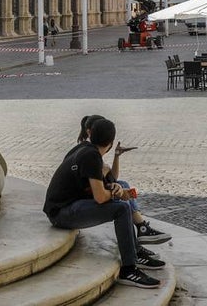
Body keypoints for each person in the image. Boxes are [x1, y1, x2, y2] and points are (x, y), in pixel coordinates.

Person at [42, 117, 163, 289]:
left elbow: (92, 187)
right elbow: (99, 197)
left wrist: (112, 187)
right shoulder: (92, 156)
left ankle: (135, 252)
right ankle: (128, 269)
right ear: (111, 142)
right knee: (121, 207)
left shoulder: (83, 149)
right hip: (62, 213)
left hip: (63, 206)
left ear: (90, 134)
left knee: (121, 198)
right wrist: (118, 194)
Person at [74, 115, 171, 246]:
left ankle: (141, 226)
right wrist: (116, 190)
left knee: (125, 187)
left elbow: (112, 178)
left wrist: (116, 156)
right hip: (84, 197)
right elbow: (101, 184)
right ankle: (141, 228)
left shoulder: (94, 149)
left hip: (91, 192)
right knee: (124, 200)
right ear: (90, 132)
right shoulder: (89, 151)